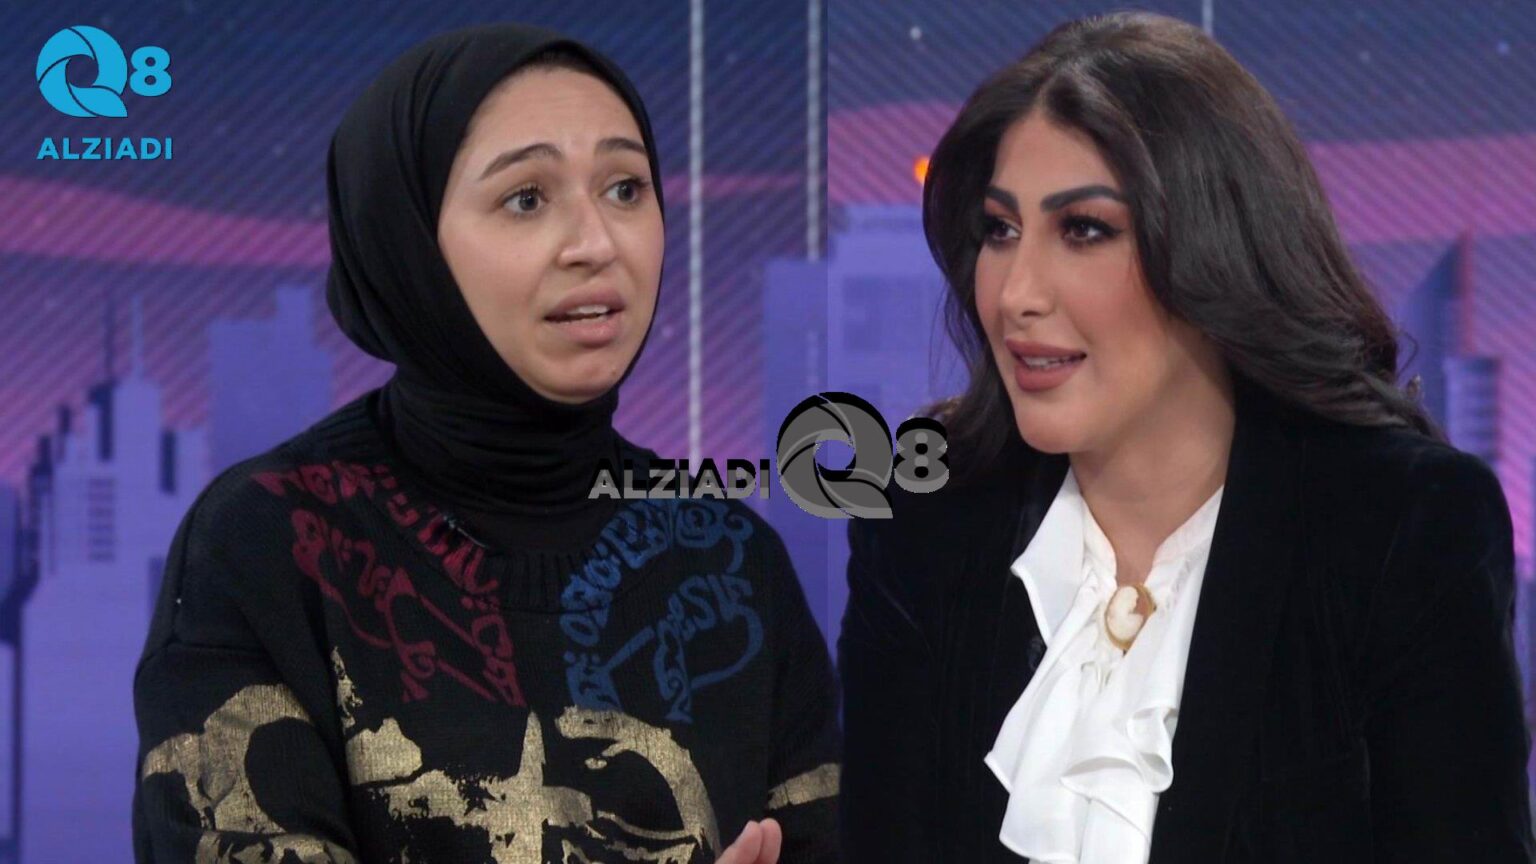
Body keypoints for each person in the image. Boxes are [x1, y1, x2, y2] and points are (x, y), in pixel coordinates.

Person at [132, 23, 839, 864]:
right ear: (405, 242)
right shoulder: (266, 540)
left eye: (624, 188)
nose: (597, 244)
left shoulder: (729, 552)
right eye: (527, 198)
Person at [837, 11, 1532, 863]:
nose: (1016, 293)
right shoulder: (925, 524)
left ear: (1211, 248)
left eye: (1083, 230)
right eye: (999, 230)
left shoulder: (1401, 529)